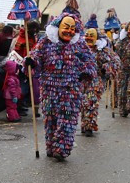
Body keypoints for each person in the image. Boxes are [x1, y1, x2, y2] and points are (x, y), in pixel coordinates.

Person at [25, 11, 95, 160]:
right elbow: (36, 57)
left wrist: (85, 72)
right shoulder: (45, 42)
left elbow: (90, 62)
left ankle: (62, 149)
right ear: (58, 27)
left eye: (72, 28)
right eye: (66, 27)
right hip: (49, 89)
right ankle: (51, 145)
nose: (69, 31)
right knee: (50, 119)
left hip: (71, 89)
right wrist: (31, 62)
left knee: (67, 120)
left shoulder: (80, 44)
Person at [79, 28, 118, 136]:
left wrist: (107, 68)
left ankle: (89, 126)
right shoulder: (78, 48)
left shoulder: (103, 50)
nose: (88, 38)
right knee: (83, 103)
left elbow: (115, 61)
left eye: (91, 35)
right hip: (81, 79)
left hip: (96, 79)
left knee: (90, 100)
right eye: (87, 35)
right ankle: (85, 123)